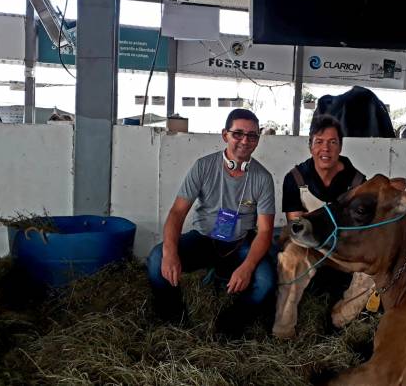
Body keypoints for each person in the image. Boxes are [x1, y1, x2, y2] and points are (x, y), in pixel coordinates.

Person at [147, 109, 276, 336]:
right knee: (158, 259)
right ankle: (175, 321)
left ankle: (228, 327)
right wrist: (170, 253)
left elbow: (265, 232)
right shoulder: (203, 166)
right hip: (203, 239)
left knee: (265, 282)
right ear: (225, 135)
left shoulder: (263, 178)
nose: (245, 141)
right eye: (238, 134)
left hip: (240, 244)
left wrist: (247, 268)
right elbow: (177, 213)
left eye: (252, 135)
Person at [277, 114, 366, 328]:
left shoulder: (357, 182)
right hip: (309, 244)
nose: (325, 149)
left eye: (332, 142)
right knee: (289, 259)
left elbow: (363, 226)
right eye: (319, 142)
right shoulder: (296, 178)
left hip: (346, 247)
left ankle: (341, 319)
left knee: (372, 270)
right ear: (310, 146)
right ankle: (283, 329)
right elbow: (296, 226)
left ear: (340, 147)